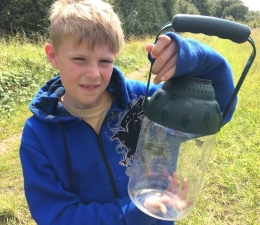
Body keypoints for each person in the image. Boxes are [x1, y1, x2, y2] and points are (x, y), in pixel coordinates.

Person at [19, 0, 237, 224]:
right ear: (53, 55)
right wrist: (135, 211)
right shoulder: (38, 134)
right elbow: (56, 215)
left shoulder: (146, 103)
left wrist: (195, 59)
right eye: (79, 59)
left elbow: (218, 109)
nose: (94, 73)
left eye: (105, 61)